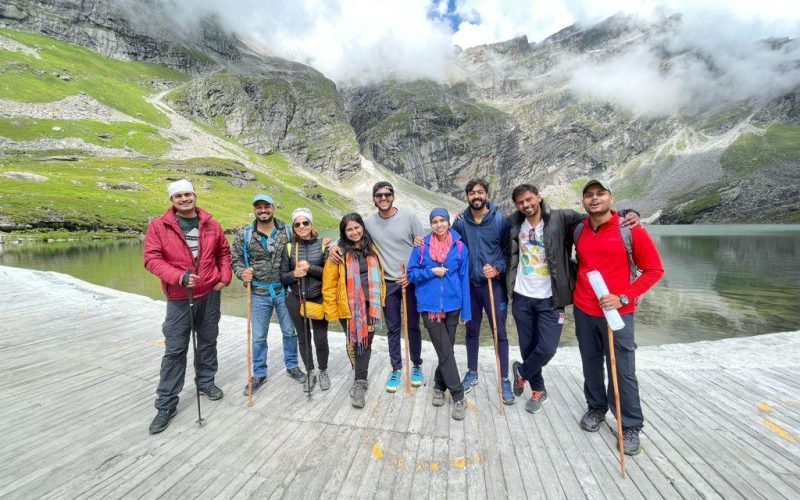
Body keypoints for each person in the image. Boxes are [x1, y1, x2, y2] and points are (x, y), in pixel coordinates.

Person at [507, 184, 640, 415]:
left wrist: (629, 212)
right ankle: (538, 389)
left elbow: (595, 215)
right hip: (522, 295)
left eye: (529, 199)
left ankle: (522, 373)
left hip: (552, 297)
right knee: (528, 346)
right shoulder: (513, 222)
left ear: (539, 197)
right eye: (520, 202)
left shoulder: (561, 218)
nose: (526, 205)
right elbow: (486, 224)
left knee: (547, 348)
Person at [573, 179, 664, 456]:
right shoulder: (580, 229)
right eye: (589, 195)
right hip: (584, 307)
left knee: (623, 369)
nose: (594, 199)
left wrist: (623, 297)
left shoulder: (629, 229)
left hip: (618, 312)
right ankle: (596, 407)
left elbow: (653, 270)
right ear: (583, 202)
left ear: (611, 198)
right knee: (590, 362)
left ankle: (630, 425)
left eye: (600, 194)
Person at [143, 179, 231, 434]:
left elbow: (223, 253)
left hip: (209, 294)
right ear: (172, 200)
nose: (184, 199)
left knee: (208, 340)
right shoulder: (159, 226)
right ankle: (166, 404)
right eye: (178, 195)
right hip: (179, 297)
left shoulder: (211, 224)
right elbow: (151, 259)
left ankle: (206, 382)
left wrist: (223, 279)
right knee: (175, 349)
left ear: (195, 196)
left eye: (188, 194)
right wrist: (178, 276)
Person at [329, 181, 425, 393]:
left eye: (387, 194)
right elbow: (347, 236)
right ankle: (396, 367)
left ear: (393, 196)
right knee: (393, 327)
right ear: (373, 199)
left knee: (413, 325)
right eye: (379, 195)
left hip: (409, 280)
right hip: (387, 282)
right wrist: (332, 245)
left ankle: (417, 364)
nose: (383, 198)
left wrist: (412, 274)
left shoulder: (409, 217)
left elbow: (422, 248)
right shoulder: (369, 223)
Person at [231, 194, 305, 396]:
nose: (263, 210)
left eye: (266, 207)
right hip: (257, 292)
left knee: (290, 332)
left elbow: (308, 241)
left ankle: (292, 366)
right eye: (259, 207)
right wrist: (241, 273)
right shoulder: (245, 234)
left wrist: (329, 244)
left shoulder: (287, 231)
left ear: (273, 208)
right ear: (255, 210)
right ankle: (259, 373)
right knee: (258, 337)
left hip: (284, 290)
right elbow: (235, 259)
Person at [451, 178, 514, 404]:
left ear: (486, 194)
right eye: (471, 193)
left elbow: (509, 254)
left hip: (493, 286)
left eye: (480, 192)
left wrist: (497, 268)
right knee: (471, 330)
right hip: (471, 287)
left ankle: (504, 377)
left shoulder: (500, 221)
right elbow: (449, 247)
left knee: (500, 333)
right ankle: (472, 371)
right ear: (467, 196)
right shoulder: (460, 223)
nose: (476, 196)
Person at [407, 208, 471, 421]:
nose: (439, 225)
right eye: (435, 221)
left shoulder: (460, 247)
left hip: (453, 305)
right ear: (431, 224)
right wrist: (431, 272)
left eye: (442, 220)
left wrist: (466, 310)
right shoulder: (421, 247)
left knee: (447, 350)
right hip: (429, 306)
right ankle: (458, 395)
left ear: (448, 222)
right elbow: (412, 274)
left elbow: (463, 279)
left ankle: (438, 385)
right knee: (445, 350)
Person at [323, 213, 386, 409]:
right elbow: (329, 284)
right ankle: (360, 375)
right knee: (355, 341)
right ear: (344, 232)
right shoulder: (338, 253)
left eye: (357, 227)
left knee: (365, 343)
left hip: (371, 305)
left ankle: (359, 380)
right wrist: (332, 311)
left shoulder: (372, 247)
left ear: (362, 227)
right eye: (349, 229)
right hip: (349, 307)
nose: (354, 232)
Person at [280, 208, 330, 392]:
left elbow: (329, 275)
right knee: (303, 338)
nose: (302, 226)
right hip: (296, 299)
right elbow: (282, 277)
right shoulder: (289, 248)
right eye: (297, 224)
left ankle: (323, 370)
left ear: (311, 224)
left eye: (305, 223)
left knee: (321, 339)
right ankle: (310, 371)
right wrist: (294, 274)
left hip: (318, 298)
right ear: (293, 227)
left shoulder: (323, 246)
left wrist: (311, 269)